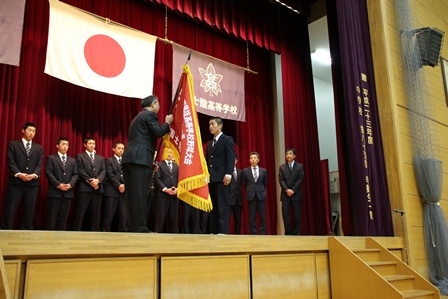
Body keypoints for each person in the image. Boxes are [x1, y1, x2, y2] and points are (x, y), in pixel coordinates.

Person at [122, 95, 173, 233]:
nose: (159, 107)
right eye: (158, 104)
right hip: (139, 160)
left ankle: (134, 226)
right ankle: (139, 227)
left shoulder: (138, 117)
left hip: (130, 159)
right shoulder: (149, 115)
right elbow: (158, 132)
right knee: (139, 195)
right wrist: (167, 123)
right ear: (153, 104)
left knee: (132, 196)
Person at [1, 122, 44, 230]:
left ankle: (26, 232)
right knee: (11, 209)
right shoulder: (14, 145)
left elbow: (40, 164)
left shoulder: (39, 148)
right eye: (29, 130)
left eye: (34, 131)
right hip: (16, 183)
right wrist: (19, 174)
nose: (31, 133)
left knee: (29, 210)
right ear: (23, 130)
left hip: (32, 183)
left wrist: (33, 175)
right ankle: (6, 230)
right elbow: (11, 162)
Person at [206, 117, 235, 234]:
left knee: (223, 205)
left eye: (212, 124)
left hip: (223, 177)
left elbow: (230, 158)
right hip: (211, 178)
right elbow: (208, 160)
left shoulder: (227, 139)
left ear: (220, 126)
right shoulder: (209, 143)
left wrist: (228, 174)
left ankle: (223, 231)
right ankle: (214, 230)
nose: (210, 127)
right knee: (213, 205)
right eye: (209, 125)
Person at [73, 137, 106, 231]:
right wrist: (90, 181)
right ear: (85, 145)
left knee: (96, 213)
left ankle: (95, 231)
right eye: (90, 143)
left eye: (93, 144)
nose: (92, 145)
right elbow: (81, 171)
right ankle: (77, 230)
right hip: (85, 188)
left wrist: (98, 180)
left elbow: (103, 170)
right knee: (80, 212)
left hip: (97, 188)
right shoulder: (80, 156)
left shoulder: (101, 158)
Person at [45, 137, 78, 231]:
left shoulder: (72, 160)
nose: (65, 146)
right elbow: (49, 173)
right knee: (52, 216)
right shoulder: (51, 158)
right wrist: (58, 184)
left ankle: (62, 237)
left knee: (64, 217)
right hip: (55, 191)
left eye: (67, 145)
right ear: (57, 145)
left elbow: (75, 175)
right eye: (63, 144)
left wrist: (70, 185)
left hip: (68, 192)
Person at [102, 141, 128, 232]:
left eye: (122, 149)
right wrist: (118, 185)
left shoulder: (126, 162)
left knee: (124, 217)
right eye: (119, 148)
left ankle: (123, 235)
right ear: (113, 149)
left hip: (124, 192)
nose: (121, 150)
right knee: (108, 216)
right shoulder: (108, 160)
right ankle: (106, 233)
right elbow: (110, 174)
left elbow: (128, 175)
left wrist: (125, 185)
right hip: (112, 191)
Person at [279, 148, 304, 235]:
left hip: (296, 194)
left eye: (290, 154)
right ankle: (288, 233)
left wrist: (293, 190)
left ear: (294, 156)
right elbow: (281, 180)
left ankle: (297, 233)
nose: (288, 155)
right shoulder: (282, 167)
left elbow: (300, 180)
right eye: (287, 154)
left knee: (297, 215)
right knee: (285, 215)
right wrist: (287, 190)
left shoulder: (300, 166)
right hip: (285, 194)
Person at [154, 148, 179, 233]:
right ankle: (158, 233)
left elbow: (180, 179)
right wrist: (165, 189)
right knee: (160, 217)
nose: (169, 154)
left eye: (171, 152)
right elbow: (157, 179)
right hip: (163, 196)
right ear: (164, 154)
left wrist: (177, 189)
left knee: (174, 218)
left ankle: (174, 235)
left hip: (174, 195)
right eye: (167, 152)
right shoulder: (159, 165)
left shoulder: (177, 166)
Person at [242, 151, 268, 235]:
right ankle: (252, 233)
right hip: (251, 195)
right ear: (249, 160)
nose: (253, 160)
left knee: (262, 216)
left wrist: (262, 191)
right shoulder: (245, 171)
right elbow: (245, 184)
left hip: (261, 195)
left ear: (258, 160)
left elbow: (265, 183)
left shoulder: (264, 171)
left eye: (254, 158)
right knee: (251, 216)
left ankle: (262, 233)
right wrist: (250, 190)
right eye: (251, 158)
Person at [230, 156, 243, 234]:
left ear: (236, 161)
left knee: (238, 219)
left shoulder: (240, 172)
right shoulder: (226, 171)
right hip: (229, 198)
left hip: (238, 199)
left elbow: (243, 184)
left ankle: (237, 234)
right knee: (227, 218)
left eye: (234, 160)